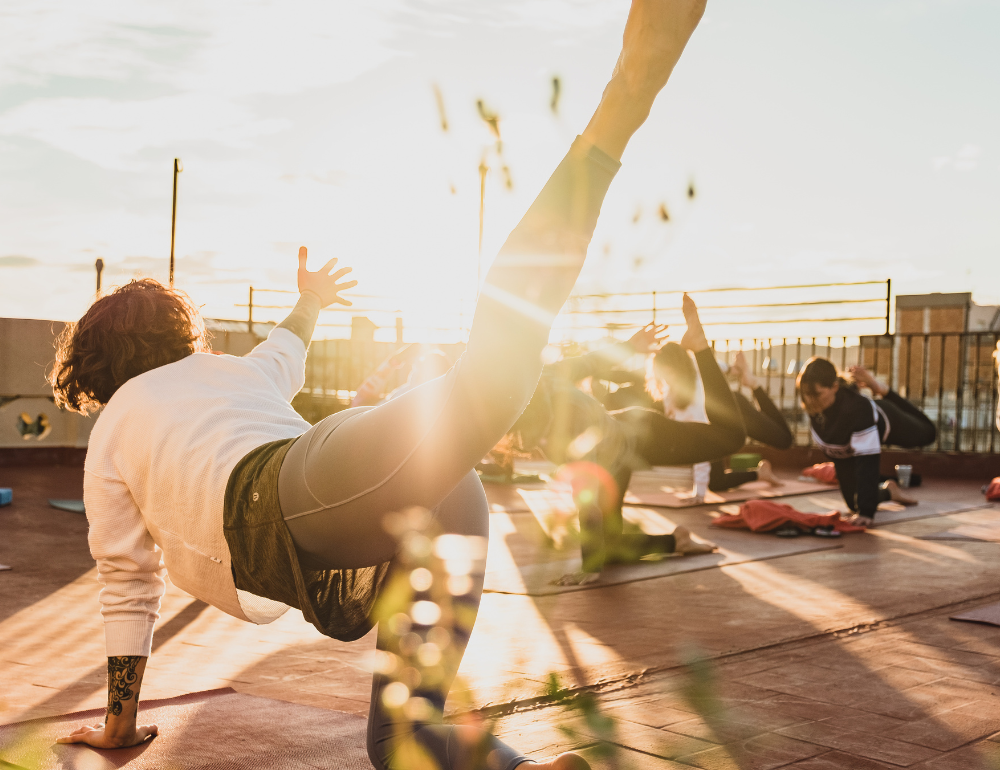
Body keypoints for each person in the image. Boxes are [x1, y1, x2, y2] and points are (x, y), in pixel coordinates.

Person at [51, 2, 708, 768]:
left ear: (101, 367)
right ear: (176, 338)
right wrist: (313, 299)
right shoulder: (229, 370)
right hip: (426, 496)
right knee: (400, 742)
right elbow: (286, 345)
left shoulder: (116, 428)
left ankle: (615, 115)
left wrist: (120, 727)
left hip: (302, 491)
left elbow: (129, 583)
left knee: (485, 379)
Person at [507, 295, 746, 586]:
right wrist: (630, 346)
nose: (530, 444)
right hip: (615, 450)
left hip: (646, 436)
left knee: (732, 438)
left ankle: (700, 347)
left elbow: (588, 499)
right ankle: (676, 542)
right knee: (611, 549)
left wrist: (589, 567)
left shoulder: (569, 425)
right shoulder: (545, 377)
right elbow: (590, 362)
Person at [798, 357, 936, 526]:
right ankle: (889, 492)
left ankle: (883, 390)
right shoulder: (818, 407)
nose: (810, 400)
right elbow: (840, 458)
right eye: (806, 394)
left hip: (887, 419)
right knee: (853, 505)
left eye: (817, 394)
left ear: (834, 387)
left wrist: (866, 512)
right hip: (852, 444)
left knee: (929, 433)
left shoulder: (857, 409)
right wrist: (860, 507)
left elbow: (868, 462)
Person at [709, 350, 792, 491]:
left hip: (729, 408)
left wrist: (732, 369)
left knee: (784, 439)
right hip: (708, 419)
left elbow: (707, 366)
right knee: (716, 482)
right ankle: (760, 474)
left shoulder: (688, 360)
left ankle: (753, 384)